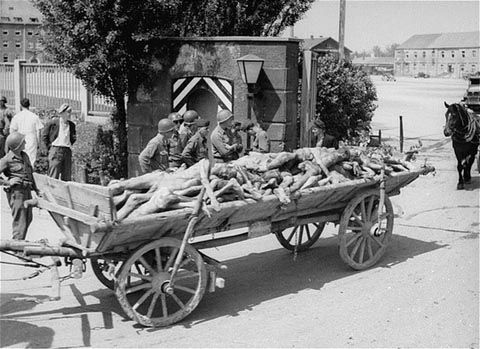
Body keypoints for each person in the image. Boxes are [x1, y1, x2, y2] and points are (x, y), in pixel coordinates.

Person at [0, 132, 36, 240]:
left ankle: (19, 243)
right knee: (20, 221)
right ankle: (17, 246)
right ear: (17, 145)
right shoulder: (7, 160)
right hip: (17, 193)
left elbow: (30, 174)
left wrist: (37, 189)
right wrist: (8, 182)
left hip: (27, 191)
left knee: (28, 218)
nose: (25, 142)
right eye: (22, 141)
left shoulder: (25, 156)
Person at [42, 103, 77, 181]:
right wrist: (48, 149)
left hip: (67, 151)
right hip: (56, 150)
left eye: (70, 112)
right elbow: (44, 136)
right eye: (68, 112)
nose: (69, 114)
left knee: (67, 176)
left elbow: (73, 138)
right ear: (62, 113)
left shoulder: (71, 125)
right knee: (53, 176)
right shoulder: (53, 123)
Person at [9, 98, 44, 166]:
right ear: (29, 105)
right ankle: (30, 175)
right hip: (31, 139)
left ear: (20, 105)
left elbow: (12, 130)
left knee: (20, 159)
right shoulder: (34, 117)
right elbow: (38, 132)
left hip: (19, 140)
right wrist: (38, 144)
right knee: (31, 160)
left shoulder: (17, 116)